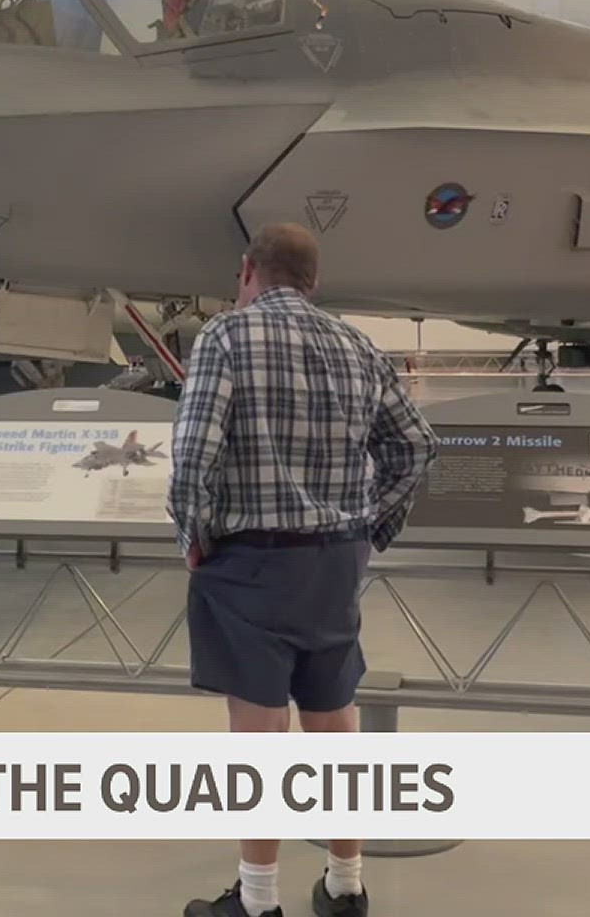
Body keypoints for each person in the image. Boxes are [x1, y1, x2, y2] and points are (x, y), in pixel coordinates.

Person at [168, 223, 440, 917]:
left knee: (258, 739)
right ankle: (346, 888)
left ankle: (257, 902)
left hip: (252, 564)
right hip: (335, 564)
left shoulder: (225, 338)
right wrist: (371, 524)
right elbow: (416, 446)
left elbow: (194, 452)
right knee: (333, 725)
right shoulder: (358, 345)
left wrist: (193, 536)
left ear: (247, 271)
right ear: (313, 281)